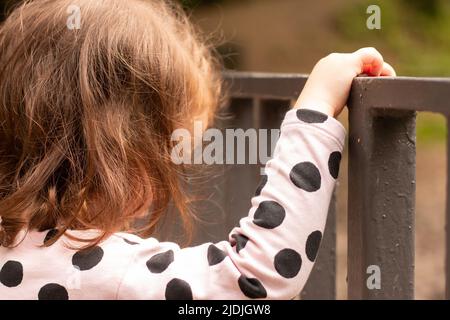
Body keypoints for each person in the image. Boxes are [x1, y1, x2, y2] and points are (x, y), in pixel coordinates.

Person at [0, 0, 395, 299]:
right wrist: (316, 108)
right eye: (170, 150)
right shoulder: (105, 270)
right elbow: (254, 279)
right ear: (117, 148)